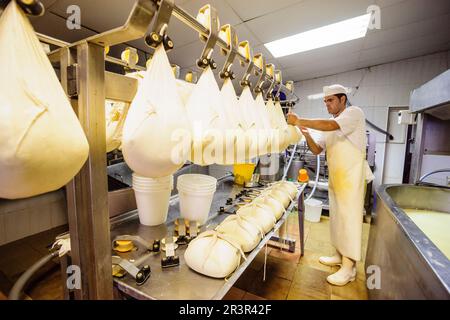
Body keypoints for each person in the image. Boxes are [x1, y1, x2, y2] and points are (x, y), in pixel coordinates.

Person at [287, 84, 373, 286]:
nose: (327, 104)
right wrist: (306, 133)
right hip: (338, 178)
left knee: (349, 220)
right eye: (325, 101)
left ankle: (349, 268)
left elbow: (329, 126)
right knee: (338, 219)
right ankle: (339, 255)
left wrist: (299, 119)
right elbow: (317, 150)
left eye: (330, 100)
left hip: (352, 178)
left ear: (343, 99)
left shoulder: (354, 113)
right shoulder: (332, 123)